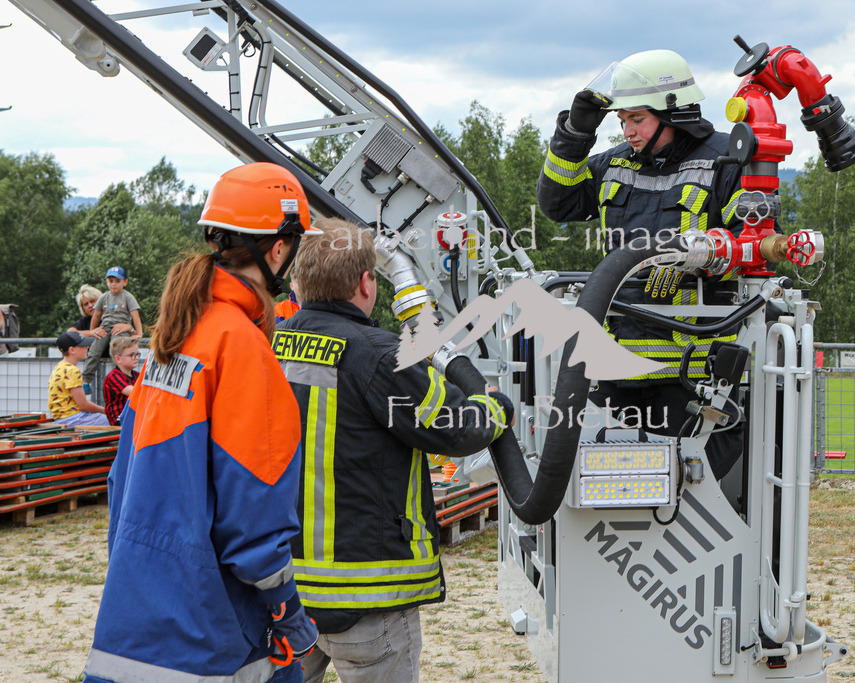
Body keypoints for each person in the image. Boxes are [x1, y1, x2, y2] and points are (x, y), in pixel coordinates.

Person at [83, 163, 323, 683]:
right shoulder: (240, 346)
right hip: (211, 630)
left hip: (137, 610)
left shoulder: (176, 338)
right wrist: (286, 610)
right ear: (278, 249)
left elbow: (124, 477)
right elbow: (254, 513)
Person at [274, 218, 515, 683]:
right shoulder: (380, 355)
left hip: (288, 590)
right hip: (367, 593)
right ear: (367, 283)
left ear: (298, 282)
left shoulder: (273, 344)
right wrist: (495, 404)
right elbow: (456, 429)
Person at [536, 48, 747, 479]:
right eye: (622, 121)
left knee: (683, 494)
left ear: (673, 113)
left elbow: (754, 244)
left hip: (692, 378)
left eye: (637, 119)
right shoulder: (615, 163)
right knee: (610, 493)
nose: (628, 131)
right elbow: (556, 203)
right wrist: (574, 134)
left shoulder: (727, 159)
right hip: (615, 374)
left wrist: (700, 258)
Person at [81, 267, 143, 392]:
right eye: (110, 281)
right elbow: (97, 315)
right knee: (94, 351)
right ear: (107, 282)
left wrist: (139, 333)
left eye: (117, 281)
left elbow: (135, 314)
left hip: (121, 328)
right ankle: (86, 381)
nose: (113, 284)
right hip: (106, 327)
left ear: (125, 282)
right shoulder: (104, 297)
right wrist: (93, 331)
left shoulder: (128, 297)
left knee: (116, 352)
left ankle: (120, 381)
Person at [47, 329, 109, 426]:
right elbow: (83, 405)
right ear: (72, 350)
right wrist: (105, 410)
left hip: (62, 419)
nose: (87, 347)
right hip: (73, 419)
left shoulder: (59, 367)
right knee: (113, 420)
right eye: (83, 346)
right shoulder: (72, 371)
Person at [101, 336, 140, 426]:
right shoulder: (113, 376)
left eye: (137, 354)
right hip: (120, 420)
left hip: (133, 416)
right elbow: (135, 392)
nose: (136, 357)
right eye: (132, 355)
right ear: (118, 359)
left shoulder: (136, 375)